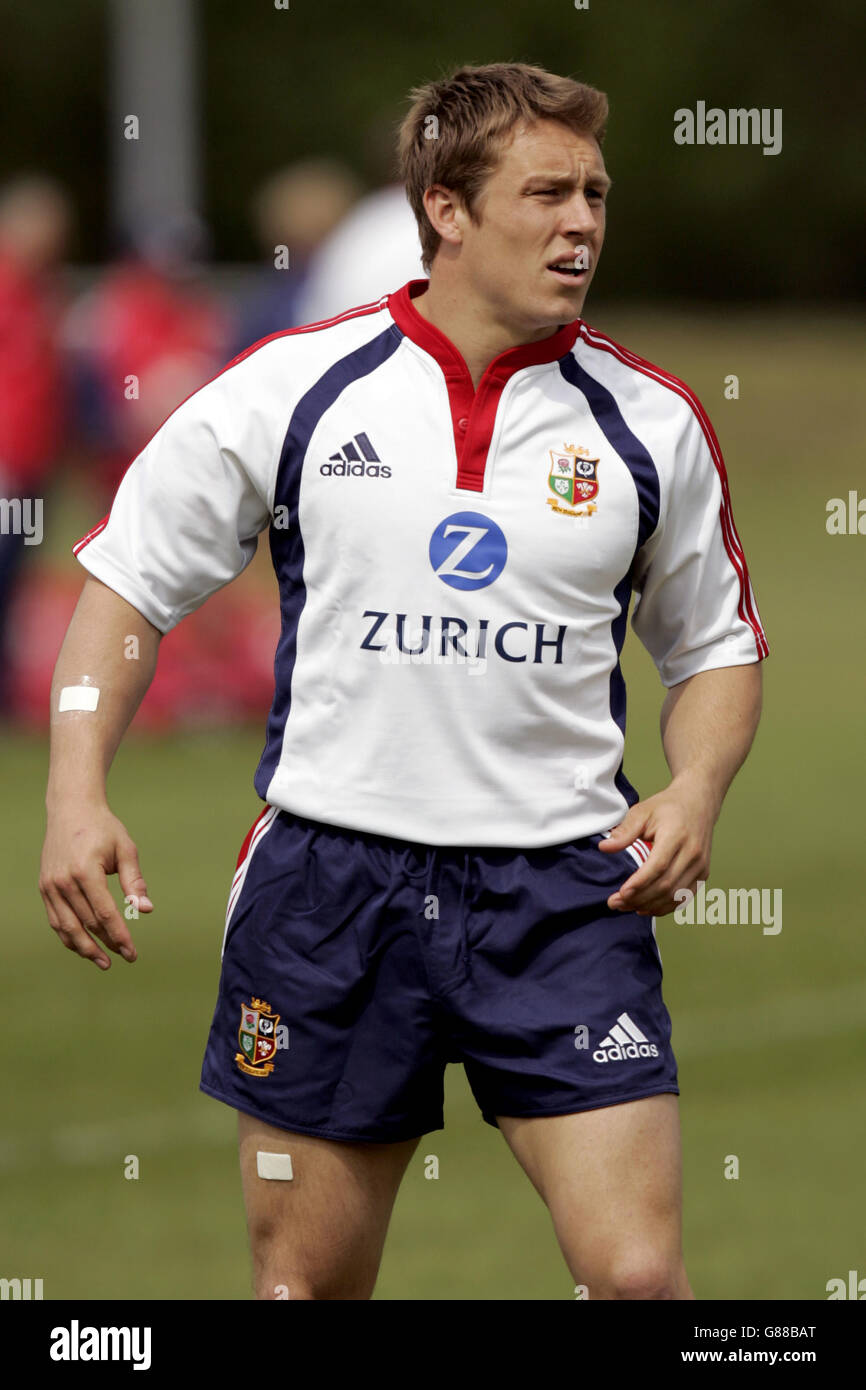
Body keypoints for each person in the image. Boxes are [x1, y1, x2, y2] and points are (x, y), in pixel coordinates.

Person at [39, 62, 768, 1301]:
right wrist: (74, 789)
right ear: (445, 205)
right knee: (306, 1290)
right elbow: (127, 584)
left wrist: (695, 785)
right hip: (332, 887)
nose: (581, 220)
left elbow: (713, 646)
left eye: (593, 191)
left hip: (563, 894)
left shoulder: (650, 425)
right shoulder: (295, 387)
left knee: (640, 1279)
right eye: (545, 192)